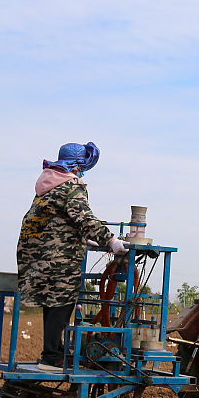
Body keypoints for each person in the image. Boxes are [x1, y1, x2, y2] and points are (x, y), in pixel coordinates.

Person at [17, 142, 127, 370]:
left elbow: (55, 221)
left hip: (37, 256)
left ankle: (52, 353)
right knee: (63, 302)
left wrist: (81, 238)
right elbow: (84, 218)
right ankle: (53, 356)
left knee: (52, 302)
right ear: (76, 166)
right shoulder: (71, 186)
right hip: (60, 258)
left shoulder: (46, 187)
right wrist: (111, 241)